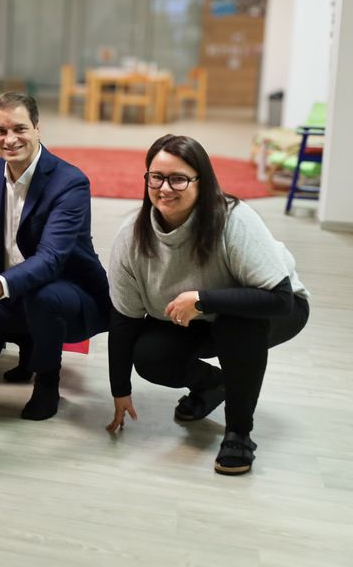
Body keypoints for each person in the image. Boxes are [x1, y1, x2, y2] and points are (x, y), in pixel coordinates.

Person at [106, 134, 309, 475]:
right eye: (156, 177)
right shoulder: (132, 236)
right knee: (151, 354)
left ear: (202, 181)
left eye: (179, 178)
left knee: (237, 323)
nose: (165, 188)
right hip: (196, 316)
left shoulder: (234, 219)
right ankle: (214, 384)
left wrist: (203, 300)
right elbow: (124, 319)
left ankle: (239, 433)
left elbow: (279, 298)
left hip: (271, 307)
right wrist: (120, 390)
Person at [0, 93, 110, 421]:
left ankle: (47, 380)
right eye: (1, 131)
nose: (10, 139)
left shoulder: (70, 183)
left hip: (72, 296)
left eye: (20, 129)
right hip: (16, 292)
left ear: (38, 129)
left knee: (42, 295)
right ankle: (30, 348)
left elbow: (51, 260)